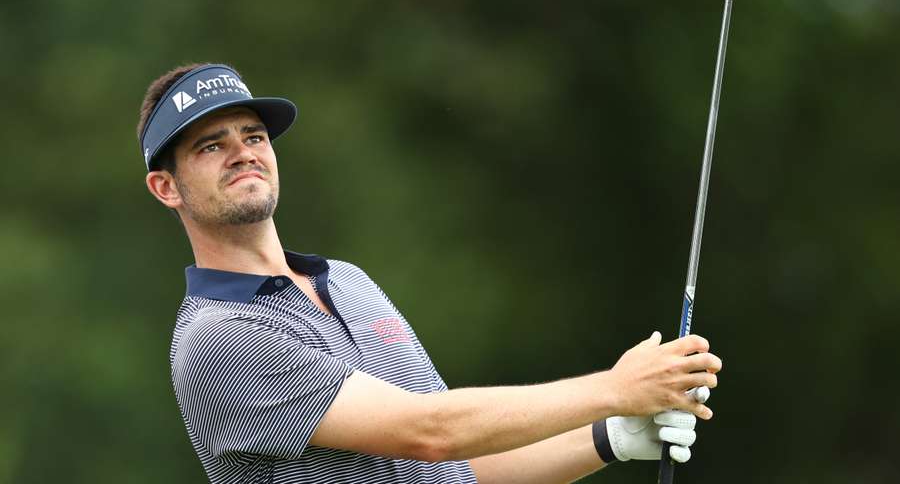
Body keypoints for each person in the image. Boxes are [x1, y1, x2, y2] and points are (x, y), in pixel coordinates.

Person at [138, 63, 722, 484]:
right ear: (167, 188)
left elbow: (452, 466)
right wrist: (612, 389)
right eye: (211, 146)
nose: (244, 152)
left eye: (254, 136)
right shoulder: (214, 339)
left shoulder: (347, 281)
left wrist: (609, 436)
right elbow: (431, 430)